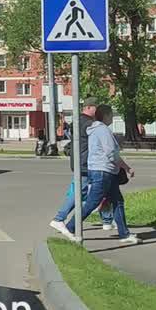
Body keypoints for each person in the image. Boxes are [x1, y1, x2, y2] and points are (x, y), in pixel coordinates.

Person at [58, 104, 139, 245]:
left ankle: (124, 234)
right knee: (92, 202)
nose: (112, 118)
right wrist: (126, 167)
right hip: (103, 171)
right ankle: (70, 227)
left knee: (117, 201)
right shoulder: (102, 130)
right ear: (106, 115)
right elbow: (111, 153)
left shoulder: (95, 129)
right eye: (111, 115)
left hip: (103, 171)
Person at [50, 97, 98, 229]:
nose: (97, 111)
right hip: (85, 161)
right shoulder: (89, 123)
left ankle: (106, 218)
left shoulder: (77, 121)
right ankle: (59, 218)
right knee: (80, 191)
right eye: (96, 108)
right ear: (89, 107)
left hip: (79, 160)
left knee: (85, 191)